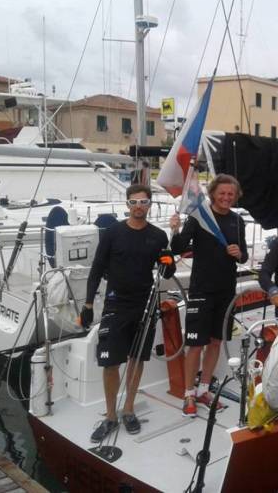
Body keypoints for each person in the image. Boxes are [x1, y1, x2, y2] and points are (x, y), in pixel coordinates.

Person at [80, 184, 175, 443]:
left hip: (145, 305)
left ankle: (129, 410)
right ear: (127, 204)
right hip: (116, 304)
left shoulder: (158, 236)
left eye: (143, 202)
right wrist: (88, 304)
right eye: (134, 202)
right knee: (110, 362)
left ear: (150, 205)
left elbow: (166, 273)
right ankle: (111, 416)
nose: (138, 206)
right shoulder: (113, 233)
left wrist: (169, 259)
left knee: (137, 358)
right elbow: (97, 269)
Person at [169, 174, 248, 418]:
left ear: (236, 196)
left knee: (216, 342)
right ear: (213, 193)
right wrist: (175, 229)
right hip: (201, 290)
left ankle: (204, 390)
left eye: (230, 194)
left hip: (226, 290)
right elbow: (178, 248)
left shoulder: (237, 220)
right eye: (222, 193)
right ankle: (189, 394)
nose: (226, 197)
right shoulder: (199, 217)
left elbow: (244, 256)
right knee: (195, 344)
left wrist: (239, 253)